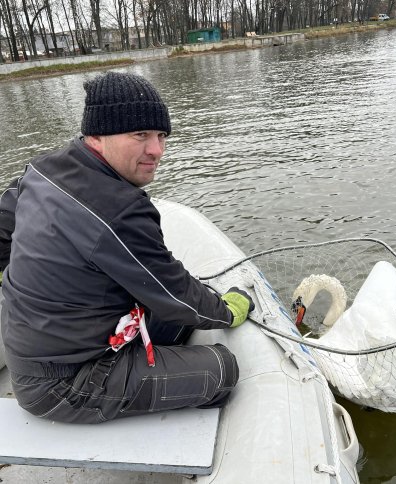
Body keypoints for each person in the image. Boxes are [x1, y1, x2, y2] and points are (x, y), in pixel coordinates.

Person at [0, 72, 254, 424]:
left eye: (161, 135)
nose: (157, 150)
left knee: (173, 323)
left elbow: (2, 231)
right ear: (98, 135)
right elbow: (174, 291)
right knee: (223, 371)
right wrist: (226, 311)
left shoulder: (42, 170)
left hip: (32, 356)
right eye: (140, 135)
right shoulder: (119, 209)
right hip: (64, 384)